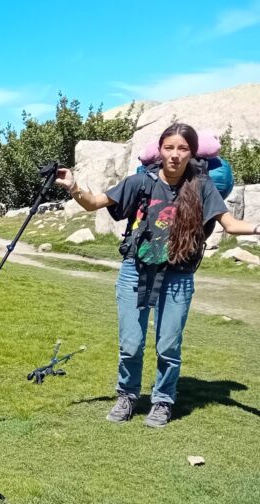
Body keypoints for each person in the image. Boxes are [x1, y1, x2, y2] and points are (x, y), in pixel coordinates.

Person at [58, 122, 259, 427]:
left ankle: (163, 400)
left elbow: (230, 224)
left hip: (179, 274)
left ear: (192, 153)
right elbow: (93, 203)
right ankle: (127, 395)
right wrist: (73, 185)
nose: (175, 155)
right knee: (130, 344)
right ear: (161, 150)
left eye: (183, 149)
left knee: (168, 345)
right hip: (136, 270)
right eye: (169, 147)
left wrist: (257, 228)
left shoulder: (202, 187)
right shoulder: (141, 182)